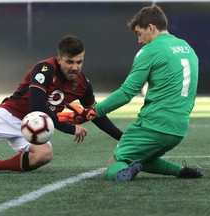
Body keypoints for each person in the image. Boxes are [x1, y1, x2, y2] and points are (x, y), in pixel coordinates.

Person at [0, 34, 123, 173]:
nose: (75, 67)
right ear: (59, 58)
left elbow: (95, 113)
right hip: (10, 114)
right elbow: (37, 106)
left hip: (34, 126)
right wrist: (69, 128)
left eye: (79, 62)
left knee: (44, 155)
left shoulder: (82, 85)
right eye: (70, 62)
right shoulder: (44, 69)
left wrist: (121, 138)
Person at [58, 4, 202, 182]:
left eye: (139, 33)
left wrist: (92, 112)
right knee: (142, 157)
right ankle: (183, 172)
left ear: (151, 27)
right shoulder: (187, 48)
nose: (139, 40)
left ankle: (122, 175)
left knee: (116, 162)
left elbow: (127, 92)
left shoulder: (150, 50)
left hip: (154, 124)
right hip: (179, 128)